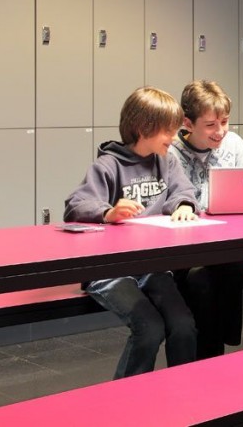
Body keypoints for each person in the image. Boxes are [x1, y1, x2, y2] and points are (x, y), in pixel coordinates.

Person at [63, 86, 201, 379]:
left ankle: (186, 390)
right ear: (143, 128)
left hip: (151, 267)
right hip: (109, 270)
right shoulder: (107, 165)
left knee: (183, 324)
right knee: (149, 328)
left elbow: (184, 191)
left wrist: (185, 204)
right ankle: (126, 401)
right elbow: (76, 204)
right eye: (168, 131)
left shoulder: (167, 161)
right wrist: (108, 212)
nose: (174, 138)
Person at [170, 80, 243, 359]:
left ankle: (213, 351)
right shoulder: (171, 152)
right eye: (210, 125)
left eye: (224, 122)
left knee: (225, 266)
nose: (220, 132)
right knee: (201, 278)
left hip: (225, 242)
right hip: (186, 248)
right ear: (187, 123)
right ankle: (214, 351)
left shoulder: (232, 143)